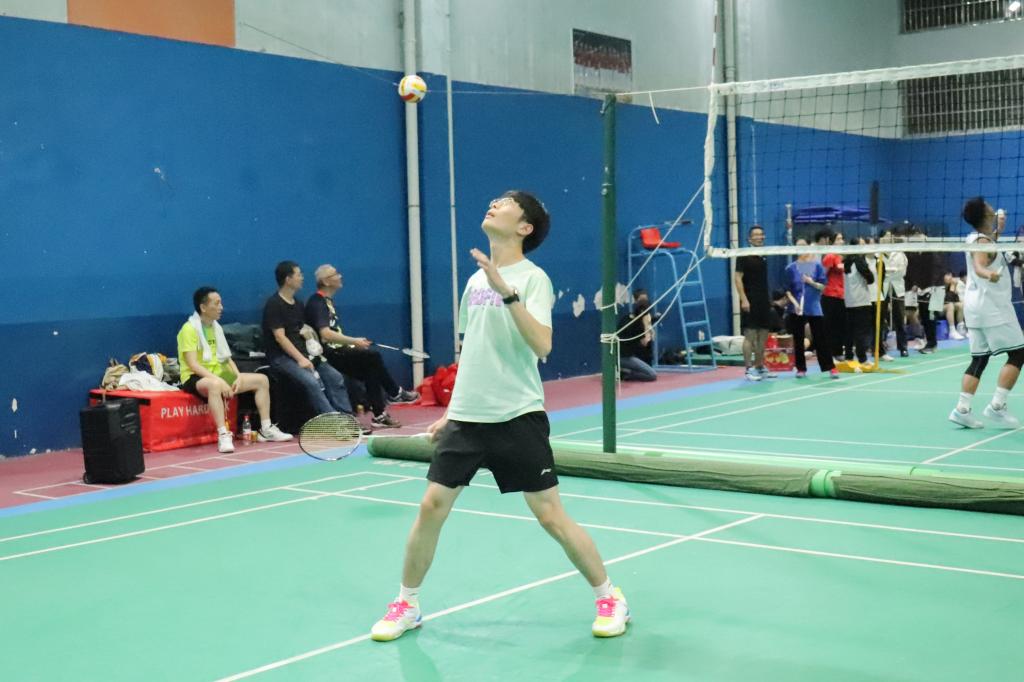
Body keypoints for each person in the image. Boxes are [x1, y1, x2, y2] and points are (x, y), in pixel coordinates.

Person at [370, 190, 629, 642]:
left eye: (506, 202)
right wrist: (452, 412)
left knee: (549, 515)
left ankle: (610, 597)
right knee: (431, 507)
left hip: (517, 414)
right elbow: (472, 350)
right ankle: (407, 604)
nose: (493, 202)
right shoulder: (474, 281)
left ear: (524, 227)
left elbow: (542, 345)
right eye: (493, 200)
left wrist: (506, 291)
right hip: (469, 419)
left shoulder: (533, 279)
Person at [176, 287, 293, 453]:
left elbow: (227, 358)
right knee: (214, 386)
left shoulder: (216, 327)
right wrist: (219, 381)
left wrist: (237, 376)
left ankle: (266, 428)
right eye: (217, 303)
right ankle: (223, 435)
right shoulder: (189, 329)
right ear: (203, 307)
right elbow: (193, 364)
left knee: (261, 380)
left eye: (221, 303)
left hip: (218, 374)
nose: (221, 307)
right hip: (195, 377)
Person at [305, 263, 419, 428]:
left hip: (337, 350)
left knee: (371, 368)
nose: (340, 276)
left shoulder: (327, 301)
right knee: (373, 357)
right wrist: (354, 341)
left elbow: (333, 333)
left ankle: (380, 415)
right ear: (326, 281)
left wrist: (354, 344)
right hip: (326, 355)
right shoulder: (317, 303)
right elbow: (325, 334)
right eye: (335, 274)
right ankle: (395, 393)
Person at [949, 197, 1024, 429]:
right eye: (988, 206)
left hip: (975, 308)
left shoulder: (977, 237)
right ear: (984, 214)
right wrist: (988, 274)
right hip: (993, 308)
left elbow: (988, 249)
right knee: (1019, 354)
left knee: (979, 359)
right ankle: (997, 406)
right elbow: (980, 264)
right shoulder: (982, 242)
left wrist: (998, 230)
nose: (992, 207)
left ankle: (962, 409)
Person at [262, 261, 353, 416]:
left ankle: (347, 418)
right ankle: (333, 422)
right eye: (299, 274)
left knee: (335, 377)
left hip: (304, 352)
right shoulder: (274, 305)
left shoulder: (298, 303)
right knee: (311, 382)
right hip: (282, 357)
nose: (302, 278)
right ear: (288, 279)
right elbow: (280, 338)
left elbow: (303, 330)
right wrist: (301, 359)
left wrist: (313, 347)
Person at [784, 239, 837, 378]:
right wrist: (795, 305)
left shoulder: (817, 266)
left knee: (821, 338)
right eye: (798, 246)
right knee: (798, 339)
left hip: (814, 307)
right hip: (796, 309)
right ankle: (801, 368)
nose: (801, 248)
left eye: (804, 246)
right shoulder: (790, 268)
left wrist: (811, 282)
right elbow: (788, 290)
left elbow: (823, 287)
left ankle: (830, 367)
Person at [734, 225, 775, 381]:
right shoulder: (743, 254)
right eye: (756, 235)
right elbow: (737, 278)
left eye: (761, 234)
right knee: (750, 335)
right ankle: (748, 369)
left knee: (763, 336)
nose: (760, 237)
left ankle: (759, 366)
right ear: (749, 239)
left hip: (763, 301)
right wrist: (744, 299)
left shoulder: (764, 254)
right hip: (750, 300)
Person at [843, 238, 876, 367]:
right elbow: (871, 279)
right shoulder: (859, 261)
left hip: (849, 301)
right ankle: (862, 359)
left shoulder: (845, 262)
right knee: (861, 331)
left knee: (849, 331)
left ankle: (849, 357)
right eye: (862, 244)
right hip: (861, 301)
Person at [616, 288, 658, 381]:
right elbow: (644, 341)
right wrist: (647, 332)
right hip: (623, 357)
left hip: (624, 354)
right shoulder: (637, 325)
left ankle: (625, 370)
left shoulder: (628, 318)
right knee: (652, 375)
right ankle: (626, 374)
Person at [879, 230, 909, 358]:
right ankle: (879, 349)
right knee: (880, 319)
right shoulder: (877, 253)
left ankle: (903, 348)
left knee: (900, 318)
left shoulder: (900, 253)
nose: (889, 238)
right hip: (882, 289)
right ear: (881, 238)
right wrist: (890, 272)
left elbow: (902, 272)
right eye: (886, 236)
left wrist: (887, 273)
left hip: (897, 289)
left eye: (890, 236)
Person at [820, 231, 847, 362]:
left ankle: (838, 352)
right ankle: (829, 354)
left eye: (842, 239)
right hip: (829, 295)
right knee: (829, 326)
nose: (841, 241)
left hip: (841, 296)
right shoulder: (830, 256)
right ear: (832, 242)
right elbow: (822, 275)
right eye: (838, 239)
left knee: (840, 325)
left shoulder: (841, 257)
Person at [943, 271, 966, 340]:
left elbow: (956, 300)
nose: (950, 277)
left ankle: (961, 329)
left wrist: (954, 288)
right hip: (935, 309)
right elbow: (947, 301)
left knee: (960, 305)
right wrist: (952, 287)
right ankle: (952, 331)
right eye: (948, 275)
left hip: (945, 307)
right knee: (950, 305)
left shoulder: (952, 285)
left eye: (951, 275)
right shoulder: (939, 285)